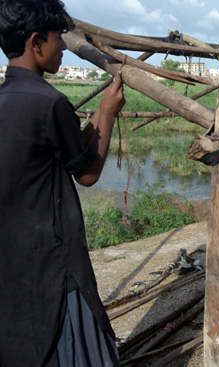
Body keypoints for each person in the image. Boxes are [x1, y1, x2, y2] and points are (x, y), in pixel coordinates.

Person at [0, 1, 125, 366]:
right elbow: (86, 173)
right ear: (37, 42)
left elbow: (67, 152)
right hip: (55, 265)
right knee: (72, 347)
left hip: (13, 259)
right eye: (58, 39)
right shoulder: (49, 102)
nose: (63, 47)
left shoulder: (7, 100)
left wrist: (98, 118)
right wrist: (106, 112)